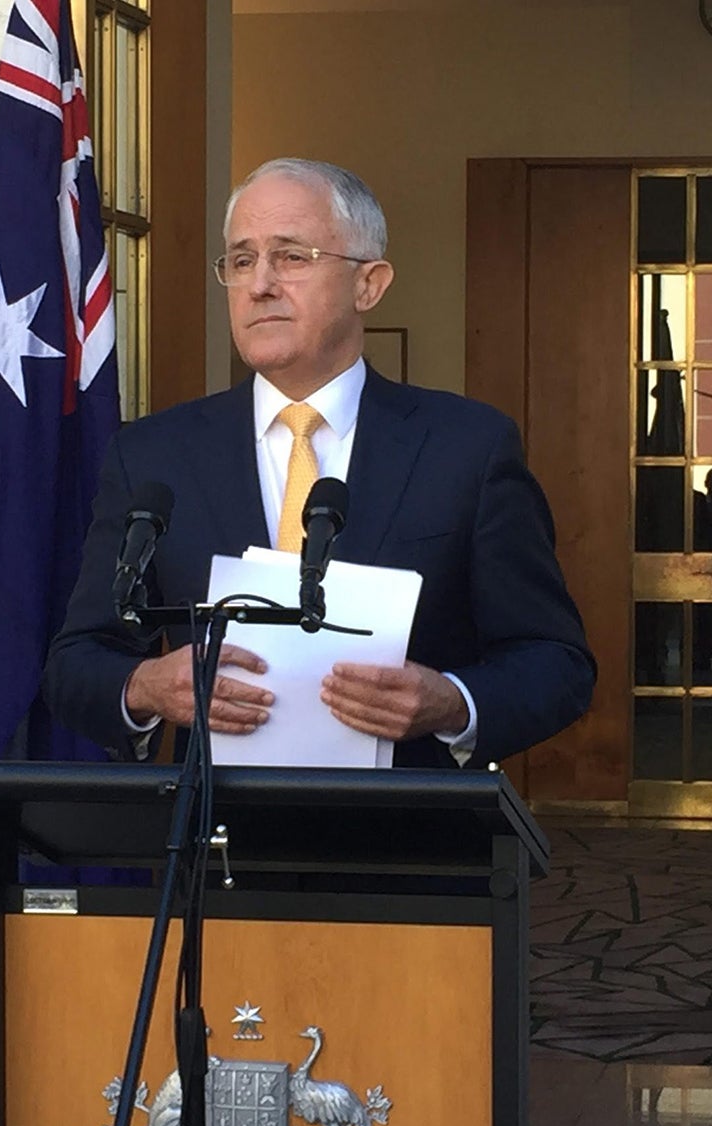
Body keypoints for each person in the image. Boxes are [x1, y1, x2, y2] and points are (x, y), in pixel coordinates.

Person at [43, 158, 593, 769]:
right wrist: (147, 688)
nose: (260, 285)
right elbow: (77, 663)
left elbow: (556, 663)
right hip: (211, 844)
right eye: (243, 260)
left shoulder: (468, 448)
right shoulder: (154, 455)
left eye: (292, 257)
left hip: (407, 847)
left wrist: (453, 703)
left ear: (369, 284)